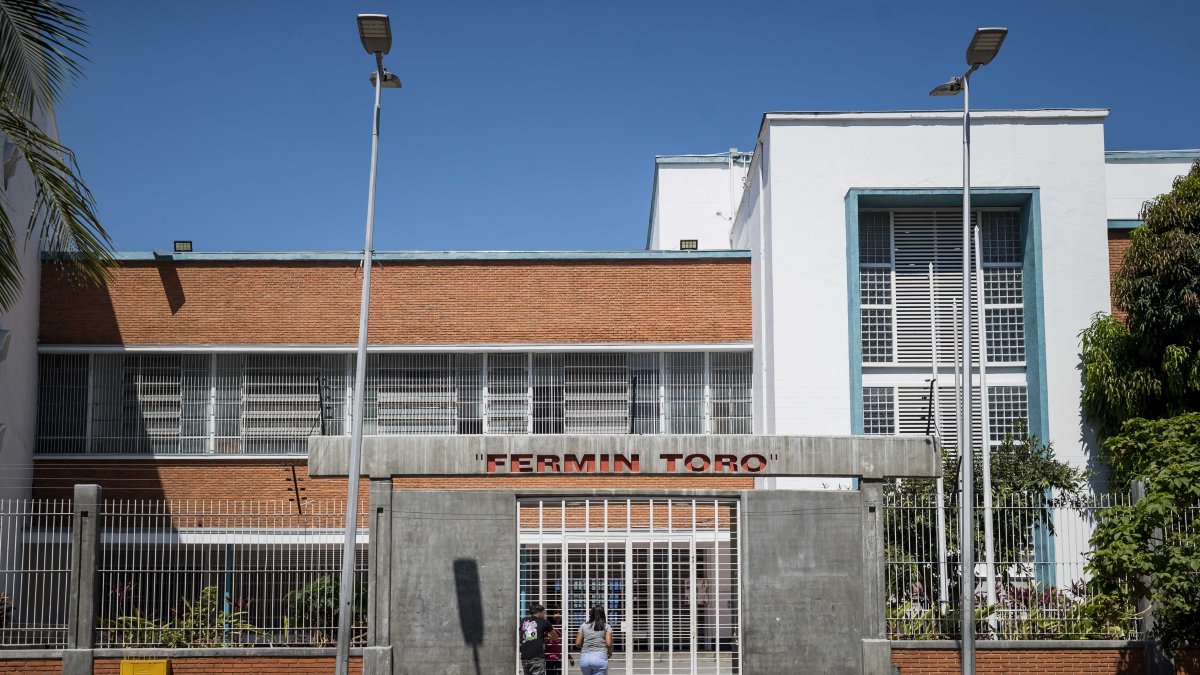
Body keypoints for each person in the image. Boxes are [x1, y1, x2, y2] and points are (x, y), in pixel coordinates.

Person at [519, 603, 560, 675]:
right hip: (537, 657)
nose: (544, 615)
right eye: (544, 613)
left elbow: (523, 634)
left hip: (524, 658)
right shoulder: (544, 622)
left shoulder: (523, 621)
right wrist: (546, 635)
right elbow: (555, 637)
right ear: (540, 613)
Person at [574, 605, 613, 675]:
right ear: (603, 614)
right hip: (600, 657)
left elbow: (577, 643)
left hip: (585, 658)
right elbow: (609, 644)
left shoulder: (583, 625)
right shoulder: (606, 626)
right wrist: (609, 653)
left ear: (591, 614)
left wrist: (587, 645)